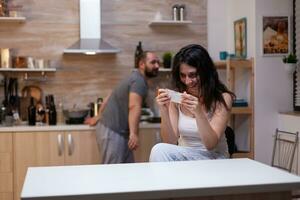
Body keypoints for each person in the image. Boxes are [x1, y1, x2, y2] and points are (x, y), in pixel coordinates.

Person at [149, 44, 235, 162]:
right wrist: (164, 110)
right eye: (183, 75)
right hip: (186, 158)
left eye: (193, 75)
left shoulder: (223, 98)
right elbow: (170, 142)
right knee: (159, 149)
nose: (188, 81)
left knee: (159, 151)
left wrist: (198, 112)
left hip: (214, 158)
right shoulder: (177, 99)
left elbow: (211, 144)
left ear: (205, 72)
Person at [85, 51, 160, 164]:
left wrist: (98, 116)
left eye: (158, 62)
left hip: (113, 131)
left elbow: (109, 96)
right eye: (153, 62)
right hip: (114, 132)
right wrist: (134, 134)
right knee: (112, 173)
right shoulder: (139, 81)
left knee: (126, 172)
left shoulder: (133, 78)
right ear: (141, 64)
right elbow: (134, 106)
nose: (157, 66)